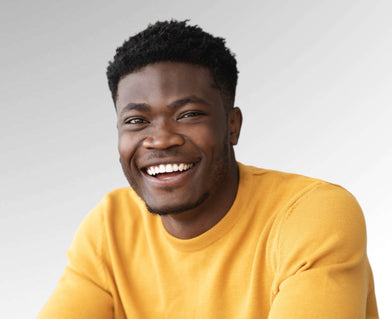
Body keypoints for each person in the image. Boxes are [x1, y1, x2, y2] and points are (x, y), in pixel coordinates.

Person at [38, 20, 378, 318]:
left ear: (232, 126)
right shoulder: (109, 227)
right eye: (136, 121)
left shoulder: (311, 214)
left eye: (188, 115)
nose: (160, 140)